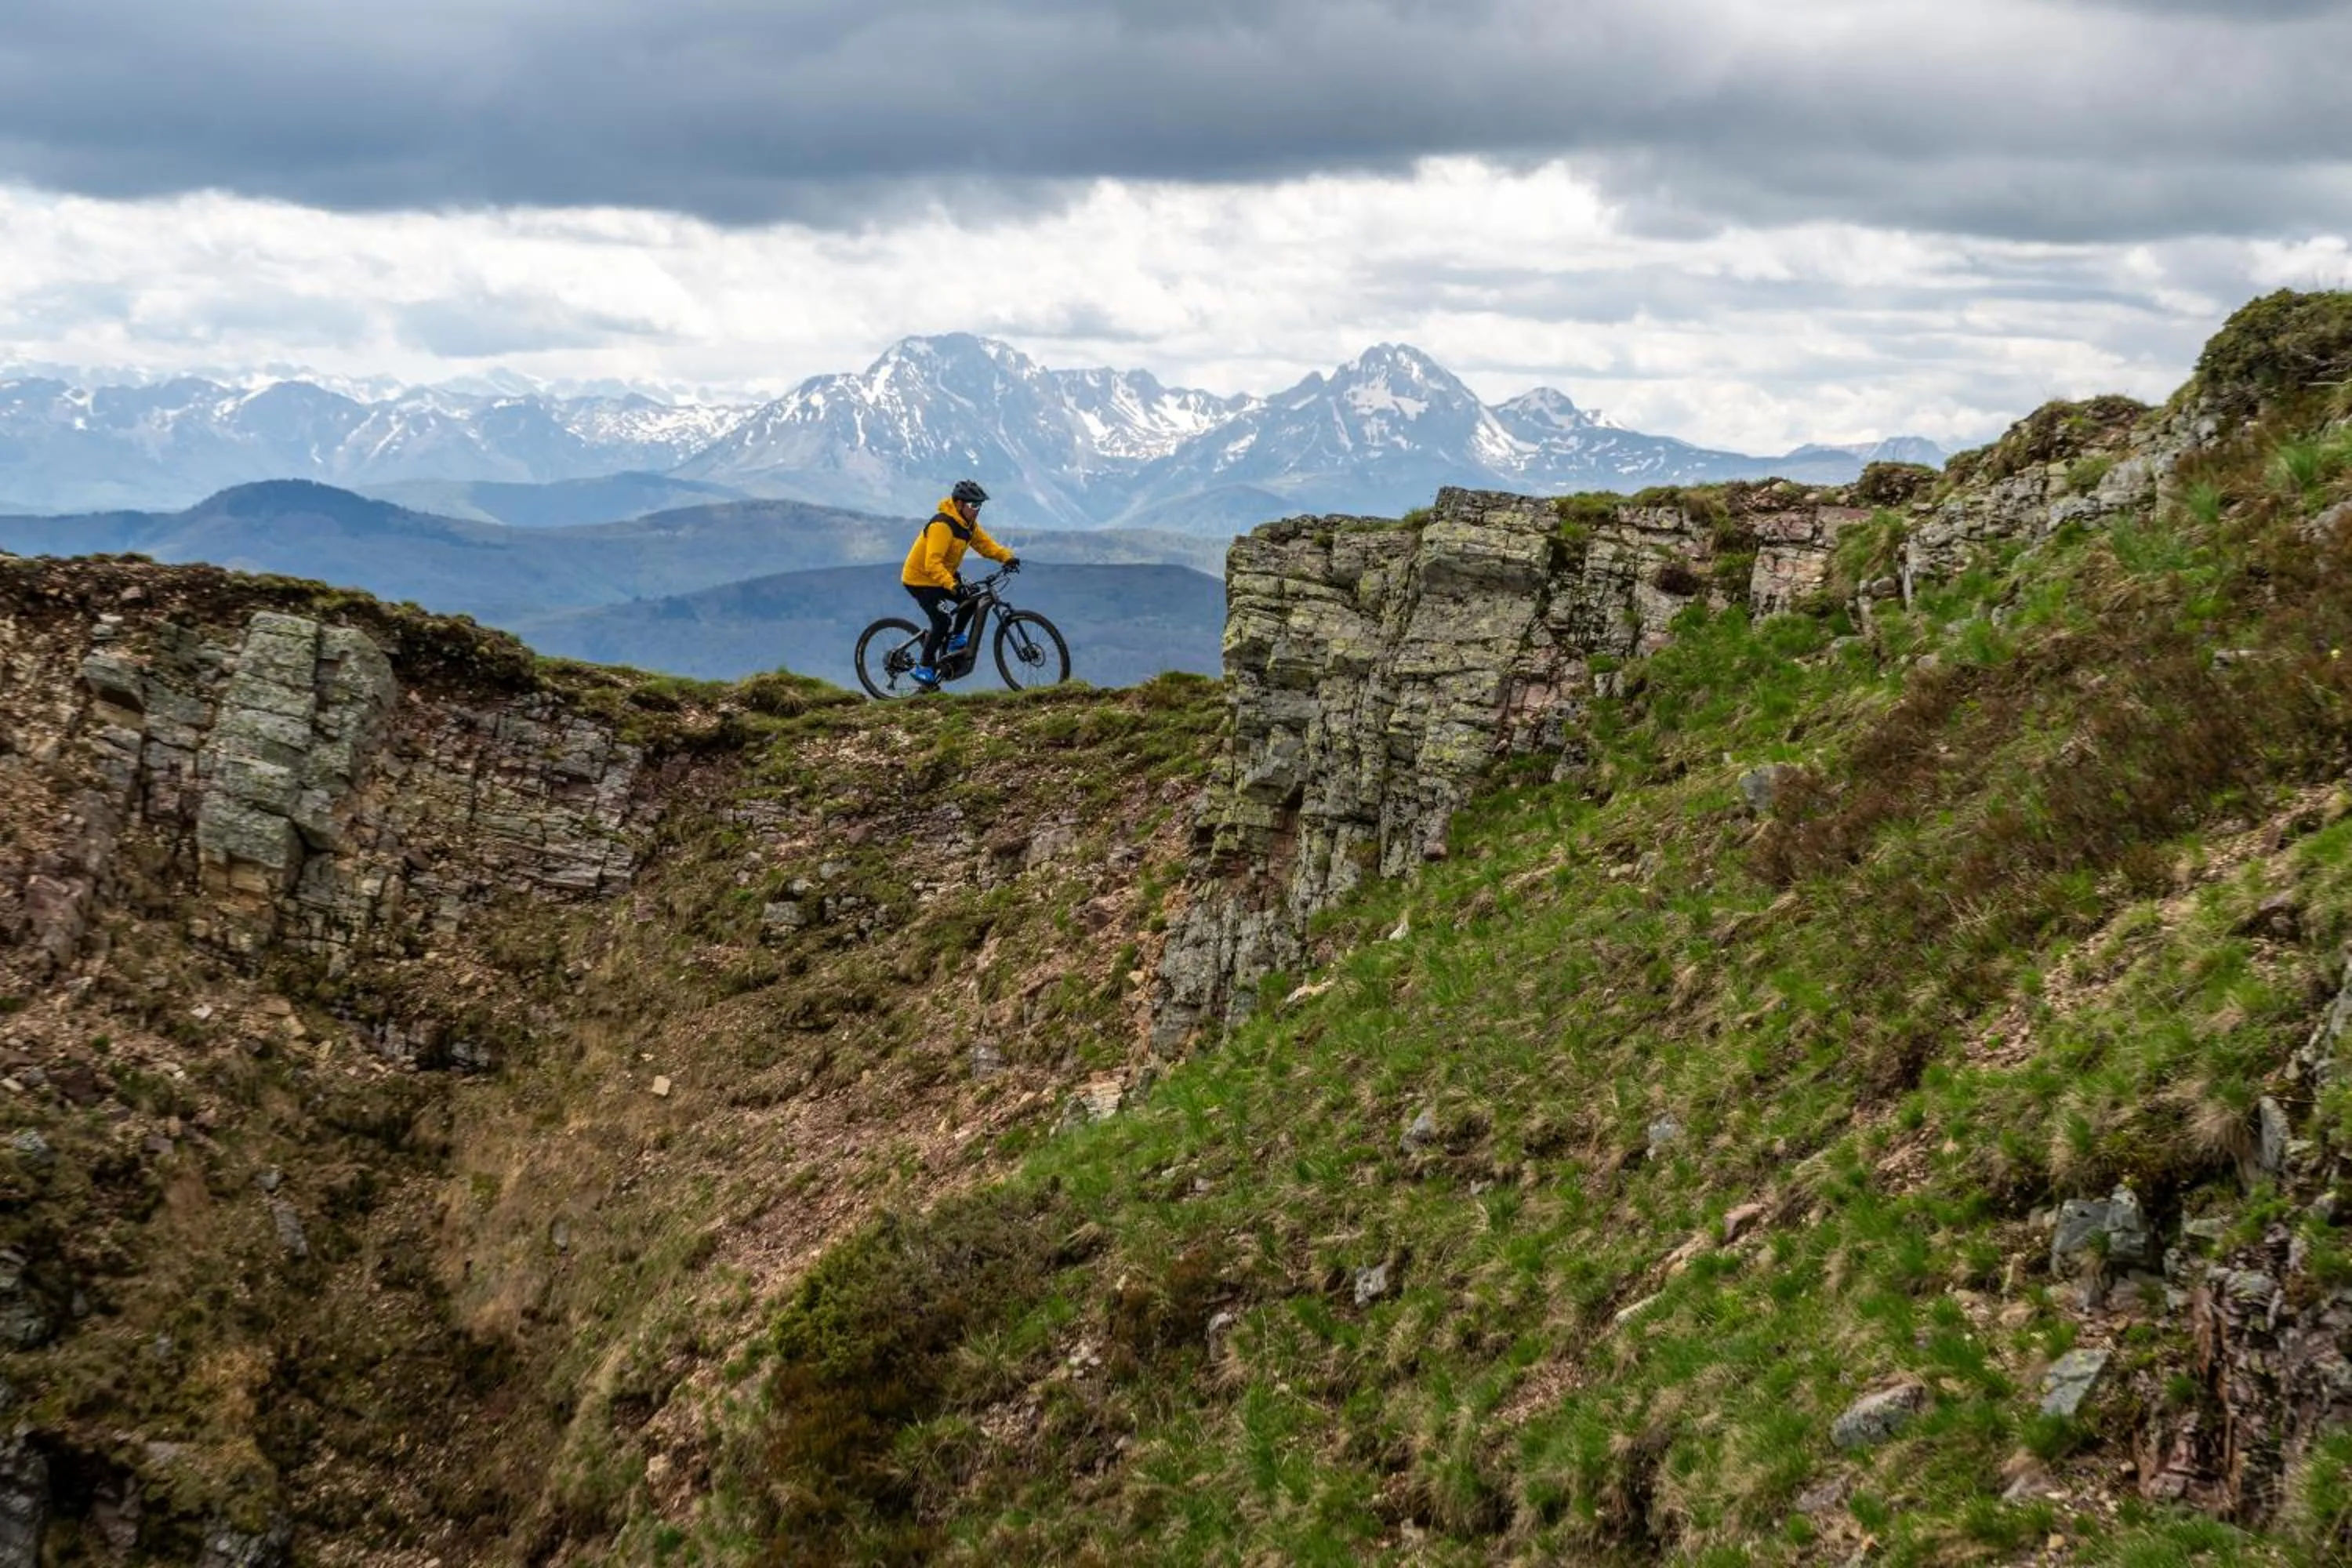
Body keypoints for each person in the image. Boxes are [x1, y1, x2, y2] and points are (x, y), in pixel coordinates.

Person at [900, 479, 1019, 689]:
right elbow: (932, 563)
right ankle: (924, 667)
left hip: (943, 574)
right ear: (959, 504)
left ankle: (955, 638)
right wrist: (952, 585)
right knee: (942, 621)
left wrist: (1007, 557)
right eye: (973, 505)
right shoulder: (942, 526)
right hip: (921, 579)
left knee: (974, 596)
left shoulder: (968, 525)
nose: (977, 510)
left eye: (980, 505)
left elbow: (985, 545)